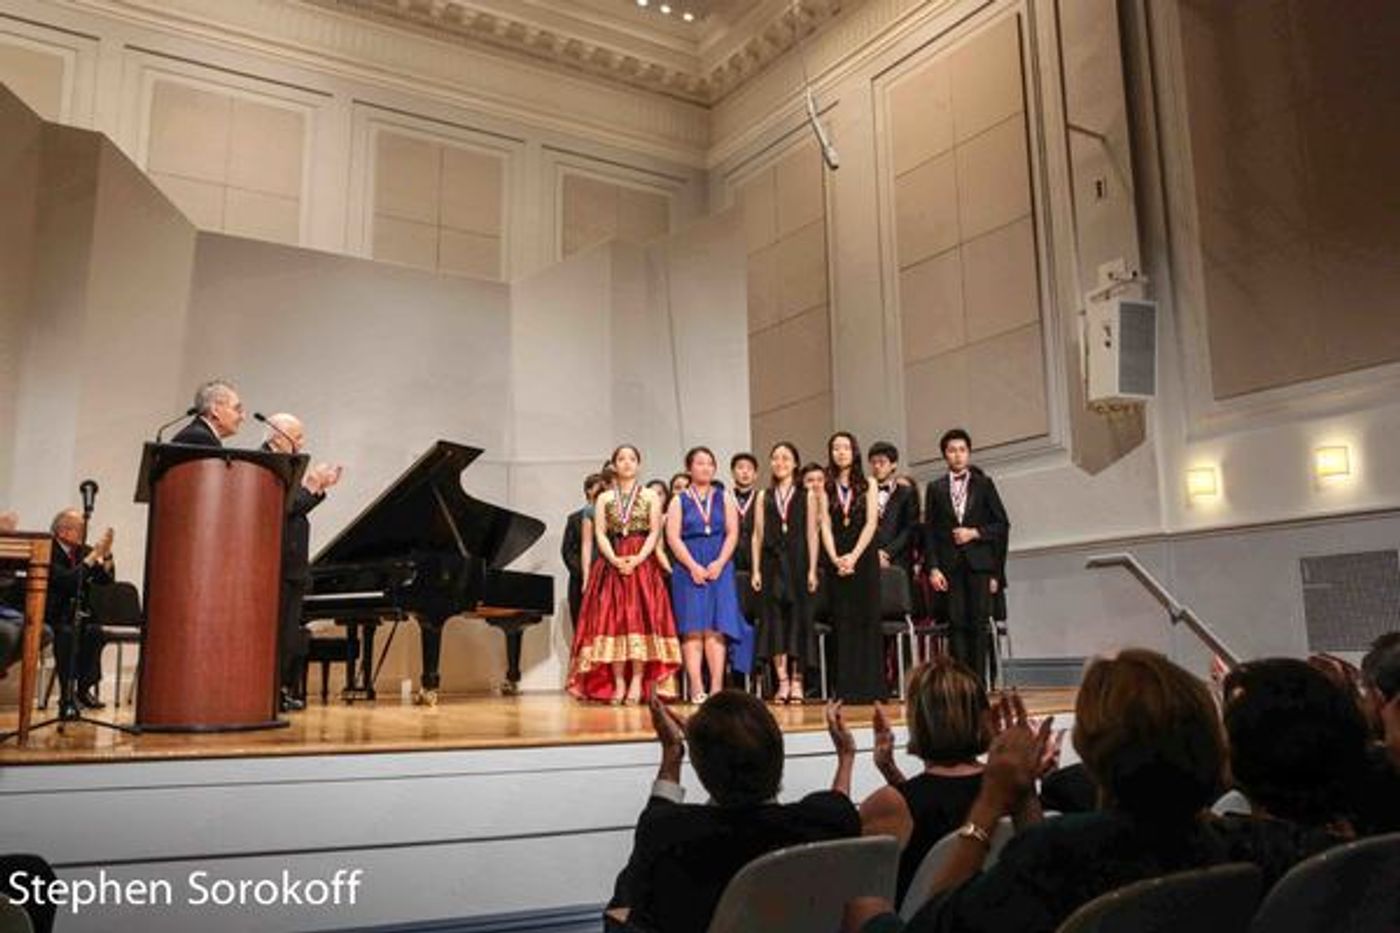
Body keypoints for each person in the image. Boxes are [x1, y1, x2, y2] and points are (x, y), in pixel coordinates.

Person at [846, 649, 1230, 933]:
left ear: (1093, 750)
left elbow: (937, 925)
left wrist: (990, 803)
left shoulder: (1075, 847)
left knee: (863, 908)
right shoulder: (1229, 843)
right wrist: (1025, 796)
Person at [607, 692, 862, 933]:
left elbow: (660, 813)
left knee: (627, 890)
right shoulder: (826, 821)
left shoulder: (670, 833)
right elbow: (838, 805)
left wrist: (673, 753)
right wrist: (846, 757)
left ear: (700, 769)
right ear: (778, 754)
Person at [859, 659, 992, 905]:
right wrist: (890, 771)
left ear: (918, 721)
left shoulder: (888, 804)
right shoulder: (1004, 789)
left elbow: (859, 889)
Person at [568, 445, 681, 704]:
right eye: (621, 459)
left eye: (632, 459)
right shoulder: (605, 499)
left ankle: (637, 681)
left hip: (643, 564)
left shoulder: (651, 495)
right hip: (613, 563)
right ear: (614, 465)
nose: (627, 463)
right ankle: (618, 683)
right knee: (614, 624)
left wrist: (639, 558)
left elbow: (655, 532)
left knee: (640, 623)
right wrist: (616, 559)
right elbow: (599, 534)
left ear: (638, 464)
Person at [260, 413, 343, 712]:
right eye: (298, 435)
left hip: (291, 566)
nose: (302, 442)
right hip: (276, 566)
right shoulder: (266, 463)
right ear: (278, 435)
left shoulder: (282, 463)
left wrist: (318, 488)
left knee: (288, 635)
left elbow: (295, 507)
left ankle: (278, 690)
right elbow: (285, 507)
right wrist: (312, 484)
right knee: (277, 634)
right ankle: (267, 693)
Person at [923, 429, 1008, 686]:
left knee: (977, 624)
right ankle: (961, 683)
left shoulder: (984, 484)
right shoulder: (935, 488)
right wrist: (934, 568)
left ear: (968, 453)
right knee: (956, 624)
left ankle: (979, 682)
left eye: (962, 450)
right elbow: (931, 532)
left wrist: (974, 533)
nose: (957, 455)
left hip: (979, 565)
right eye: (952, 450)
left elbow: (1001, 524)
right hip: (950, 567)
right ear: (945, 455)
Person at [667, 447, 748, 703]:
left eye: (709, 464)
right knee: (693, 629)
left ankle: (716, 687)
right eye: (699, 463)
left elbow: (733, 533)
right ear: (689, 468)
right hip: (688, 566)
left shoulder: (724, 497)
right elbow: (672, 537)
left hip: (719, 565)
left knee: (716, 628)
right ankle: (695, 686)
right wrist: (692, 566)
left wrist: (720, 562)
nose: (705, 468)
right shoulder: (679, 500)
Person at [750, 441, 818, 704]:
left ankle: (798, 680)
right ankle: (782, 682)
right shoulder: (762, 496)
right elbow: (757, 535)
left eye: (786, 458)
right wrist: (755, 569)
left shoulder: (807, 495)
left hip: (799, 564)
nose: (780, 463)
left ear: (795, 464)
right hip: (771, 564)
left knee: (799, 621)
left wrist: (813, 569)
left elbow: (812, 534)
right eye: (775, 458)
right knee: (775, 622)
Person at [820, 432, 885, 703]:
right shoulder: (824, 485)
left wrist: (853, 557)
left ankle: (872, 689)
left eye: (846, 447)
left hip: (863, 558)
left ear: (854, 452)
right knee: (843, 623)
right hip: (837, 559)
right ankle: (846, 689)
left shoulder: (868, 483)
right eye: (836, 448)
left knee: (867, 621)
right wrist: (835, 557)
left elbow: (871, 523)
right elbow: (823, 522)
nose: (841, 452)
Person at [47, 508, 115, 710]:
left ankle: (84, 689)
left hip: (79, 613)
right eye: (79, 529)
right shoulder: (49, 550)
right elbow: (67, 581)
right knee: (67, 634)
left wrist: (107, 554)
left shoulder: (83, 551)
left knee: (95, 632)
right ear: (62, 532)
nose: (83, 535)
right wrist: (94, 555)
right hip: (54, 614)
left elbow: (106, 580)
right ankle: (66, 695)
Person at [562, 472, 608, 625]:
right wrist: (586, 572)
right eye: (599, 487)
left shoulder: (610, 516)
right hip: (580, 579)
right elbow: (567, 552)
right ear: (588, 490)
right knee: (583, 626)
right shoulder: (574, 518)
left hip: (607, 577)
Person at [868, 442, 919, 571]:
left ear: (893, 464)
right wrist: (873, 554)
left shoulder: (906, 492)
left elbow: (909, 528)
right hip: (868, 558)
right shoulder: (864, 493)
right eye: (873, 462)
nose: (877, 466)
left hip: (898, 559)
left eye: (882, 462)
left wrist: (886, 553)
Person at [171, 378, 245, 446]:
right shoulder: (200, 438)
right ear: (215, 410)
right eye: (237, 409)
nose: (243, 417)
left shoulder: (201, 434)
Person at [729, 453, 759, 575]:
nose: (745, 472)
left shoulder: (763, 498)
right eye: (740, 467)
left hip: (757, 563)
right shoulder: (724, 498)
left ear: (755, 475)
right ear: (732, 473)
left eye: (749, 468)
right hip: (731, 562)